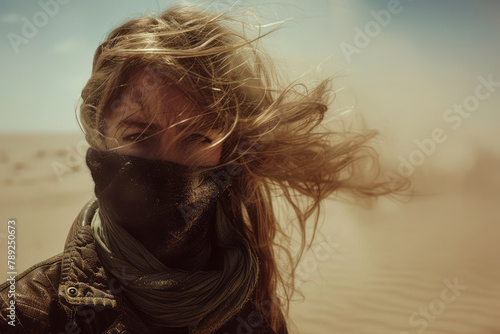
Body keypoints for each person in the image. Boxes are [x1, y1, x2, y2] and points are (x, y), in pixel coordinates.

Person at [0, 4, 406, 334]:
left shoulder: (251, 305)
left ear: (227, 150)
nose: (169, 162)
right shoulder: (24, 314)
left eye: (197, 138)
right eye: (139, 134)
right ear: (97, 130)